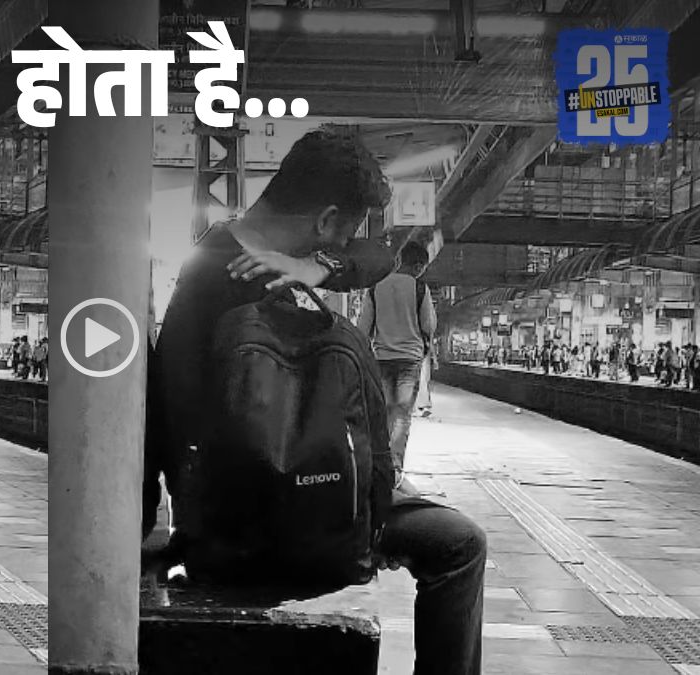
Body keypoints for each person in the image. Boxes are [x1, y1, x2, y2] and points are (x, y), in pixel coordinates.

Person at [147, 127, 485, 675]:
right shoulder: (216, 278)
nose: (344, 246)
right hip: (265, 512)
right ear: (326, 220)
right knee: (458, 546)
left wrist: (319, 267)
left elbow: (377, 258)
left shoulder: (250, 252)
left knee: (451, 534)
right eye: (341, 233)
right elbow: (176, 415)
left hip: (311, 488)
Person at [358, 242, 436, 475]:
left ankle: (378, 462)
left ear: (400, 260)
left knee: (382, 412)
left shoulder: (375, 287)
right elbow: (428, 325)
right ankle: (395, 465)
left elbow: (364, 327)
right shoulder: (420, 288)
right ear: (419, 265)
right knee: (402, 414)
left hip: (381, 357)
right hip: (410, 358)